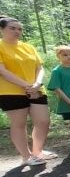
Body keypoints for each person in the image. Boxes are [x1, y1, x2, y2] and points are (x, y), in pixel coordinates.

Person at [0, 16, 57, 165]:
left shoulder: (28, 47)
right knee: (19, 123)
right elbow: (3, 71)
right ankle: (26, 156)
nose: (17, 31)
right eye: (12, 28)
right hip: (10, 91)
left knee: (43, 121)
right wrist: (26, 85)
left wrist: (37, 83)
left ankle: (38, 151)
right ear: (2, 29)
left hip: (36, 89)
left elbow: (40, 67)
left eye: (19, 29)